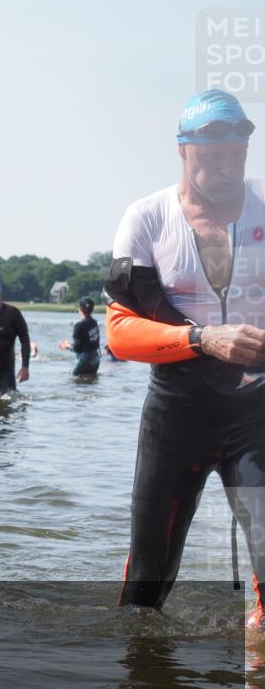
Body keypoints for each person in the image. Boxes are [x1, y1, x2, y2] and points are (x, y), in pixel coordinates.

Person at [105, 90, 265, 619]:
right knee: (147, 586)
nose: (225, 167)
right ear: (183, 149)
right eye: (211, 155)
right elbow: (121, 333)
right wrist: (204, 339)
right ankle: (141, 684)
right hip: (177, 412)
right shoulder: (147, 218)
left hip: (256, 410)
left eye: (236, 155)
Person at [59, 297, 101, 375]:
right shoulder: (94, 323)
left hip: (84, 359)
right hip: (96, 358)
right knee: (90, 381)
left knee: (73, 378)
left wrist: (66, 346)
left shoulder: (79, 326)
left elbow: (76, 348)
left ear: (80, 309)